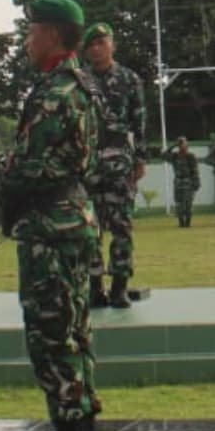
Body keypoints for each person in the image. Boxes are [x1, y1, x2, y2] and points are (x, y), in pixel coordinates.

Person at [2, 0, 102, 431]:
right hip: (74, 216)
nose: (27, 40)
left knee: (50, 333)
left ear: (53, 35)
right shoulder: (81, 84)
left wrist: (7, 191)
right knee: (75, 330)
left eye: (32, 31)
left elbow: (32, 166)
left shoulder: (53, 92)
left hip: (49, 224)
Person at [81, 22, 147, 308]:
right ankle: (95, 287)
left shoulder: (129, 79)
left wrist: (140, 158)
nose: (97, 49)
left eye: (102, 43)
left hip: (120, 162)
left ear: (112, 46)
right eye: (92, 45)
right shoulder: (80, 80)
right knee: (89, 228)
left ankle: (120, 287)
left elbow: (139, 120)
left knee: (121, 226)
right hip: (88, 164)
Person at [164, 137, 201, 227]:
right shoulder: (175, 156)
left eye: (183, 144)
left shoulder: (190, 156)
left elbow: (195, 170)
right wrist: (172, 146)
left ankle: (188, 222)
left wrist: (196, 182)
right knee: (179, 203)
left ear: (187, 145)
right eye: (180, 144)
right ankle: (181, 222)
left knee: (188, 203)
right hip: (178, 181)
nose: (181, 146)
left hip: (188, 181)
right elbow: (164, 156)